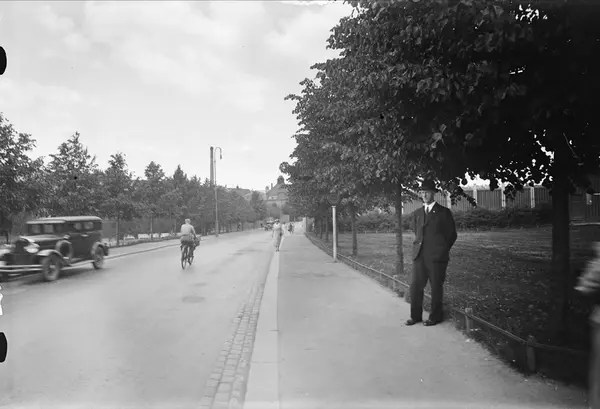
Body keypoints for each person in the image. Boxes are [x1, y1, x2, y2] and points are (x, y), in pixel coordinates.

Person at [406, 179, 457, 327]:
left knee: (436, 287)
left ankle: (435, 317)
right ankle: (415, 316)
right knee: (415, 286)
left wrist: (441, 250)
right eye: (422, 192)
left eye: (427, 192)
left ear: (433, 193)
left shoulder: (444, 212)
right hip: (419, 256)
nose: (424, 195)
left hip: (436, 257)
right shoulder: (417, 213)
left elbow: (452, 235)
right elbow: (416, 232)